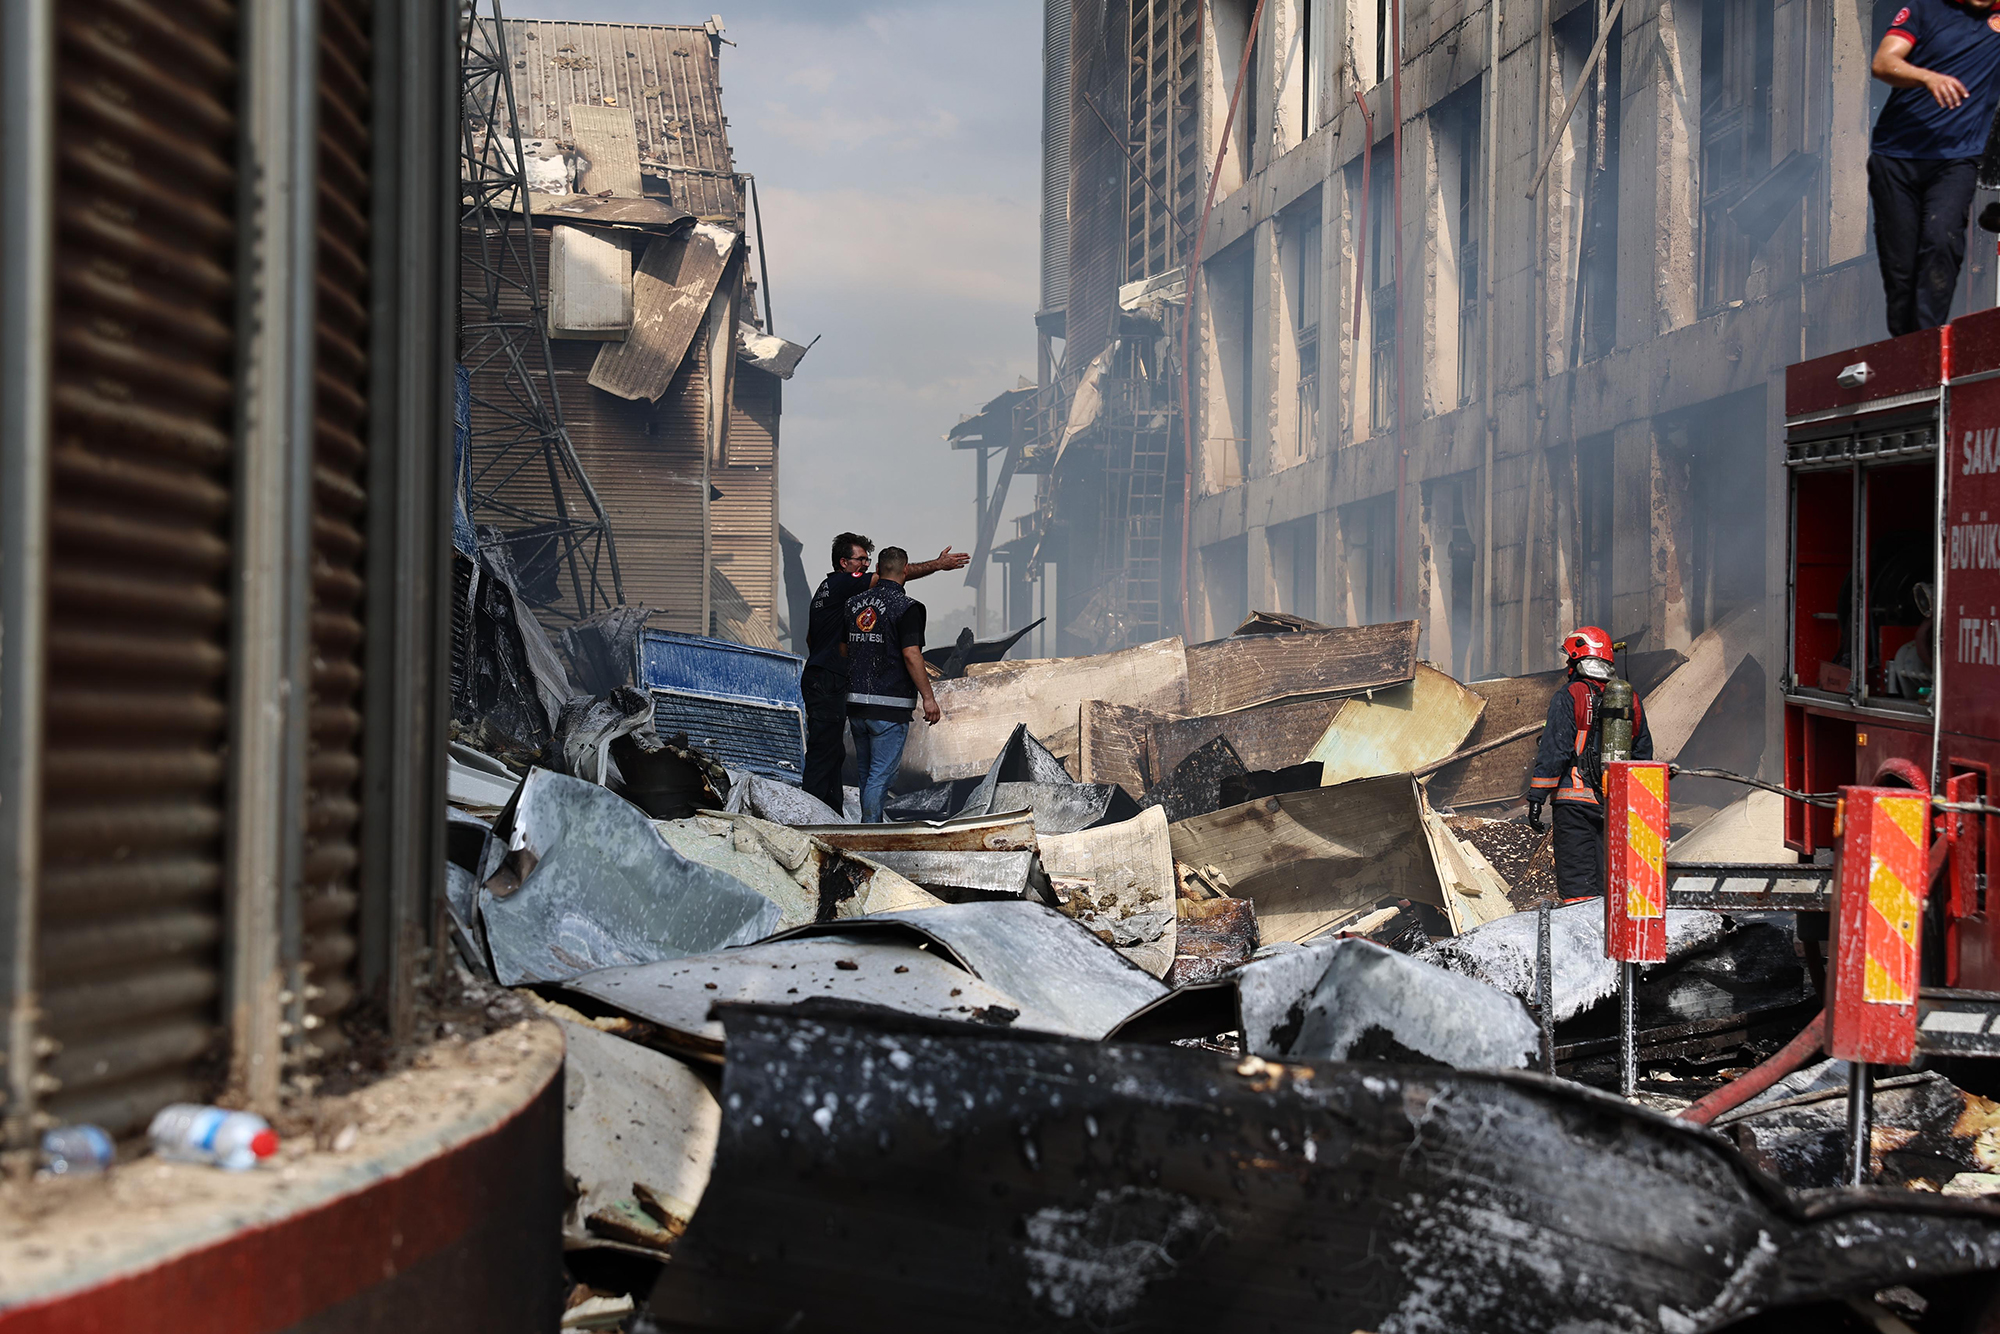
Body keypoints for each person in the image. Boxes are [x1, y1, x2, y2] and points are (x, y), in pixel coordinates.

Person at [800, 532, 966, 813]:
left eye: (868, 560)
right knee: (840, 761)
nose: (865, 565)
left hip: (828, 682)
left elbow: (811, 639)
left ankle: (831, 816)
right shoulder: (846, 585)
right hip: (838, 685)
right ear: (843, 562)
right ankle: (819, 819)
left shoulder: (832, 592)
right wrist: (937, 565)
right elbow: (890, 579)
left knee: (833, 754)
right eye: (860, 559)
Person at [1867, 0, 2000, 336]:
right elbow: (1883, 63)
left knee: (1942, 242)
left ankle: (1926, 343)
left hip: (1956, 159)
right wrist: (1927, 77)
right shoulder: (1924, 10)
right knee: (1901, 269)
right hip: (1896, 157)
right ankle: (1906, 349)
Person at [1525, 626, 1655, 901]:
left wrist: (1537, 796)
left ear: (1576, 660)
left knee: (1577, 886)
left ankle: (1582, 939)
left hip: (1574, 805)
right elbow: (1643, 753)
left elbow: (1555, 750)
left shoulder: (1570, 695)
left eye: (1568, 659)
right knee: (1610, 886)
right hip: (1616, 805)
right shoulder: (1630, 698)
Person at [841, 548, 941, 823]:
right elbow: (911, 654)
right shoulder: (908, 608)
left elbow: (843, 650)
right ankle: (870, 833)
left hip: (857, 705)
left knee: (866, 775)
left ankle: (868, 826)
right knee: (880, 778)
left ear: (878, 570)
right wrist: (929, 699)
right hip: (889, 706)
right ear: (905, 569)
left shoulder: (853, 604)